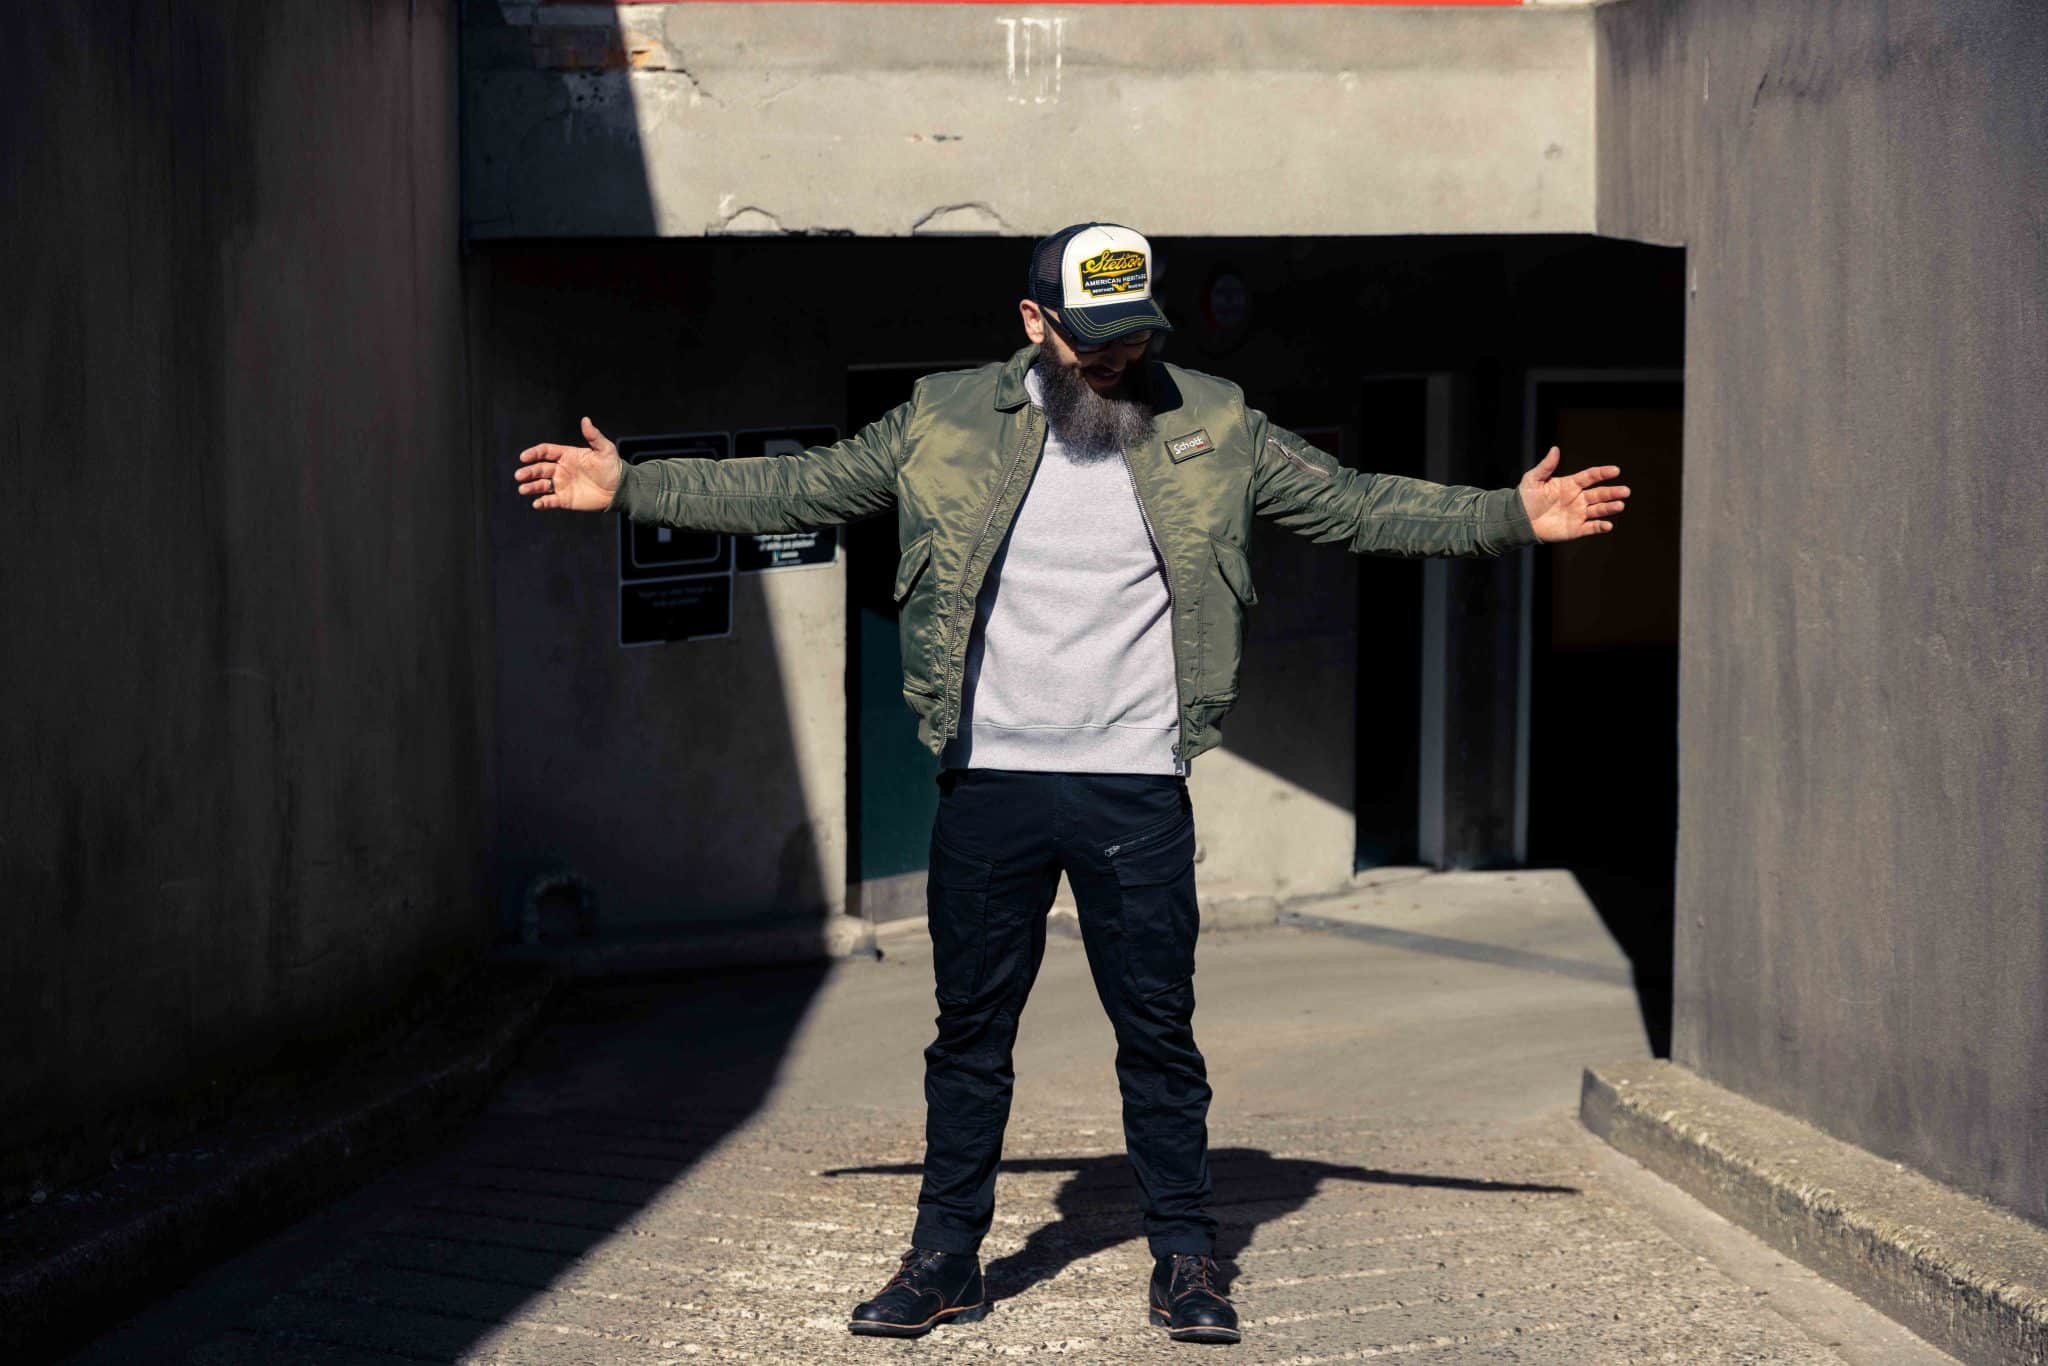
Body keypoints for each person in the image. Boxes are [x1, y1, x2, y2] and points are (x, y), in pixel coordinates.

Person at [514, 222, 1628, 1347]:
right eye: (1093, 338)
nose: (1116, 359)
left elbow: (1352, 502)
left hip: (1133, 787)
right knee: (968, 1040)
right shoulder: (943, 416)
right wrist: (634, 486)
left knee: (1158, 1039)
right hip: (989, 780)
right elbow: (803, 486)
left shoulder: (1215, 421)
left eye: (1134, 336)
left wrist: (1505, 515)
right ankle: (945, 1260)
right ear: (1032, 321)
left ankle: (1185, 1257)